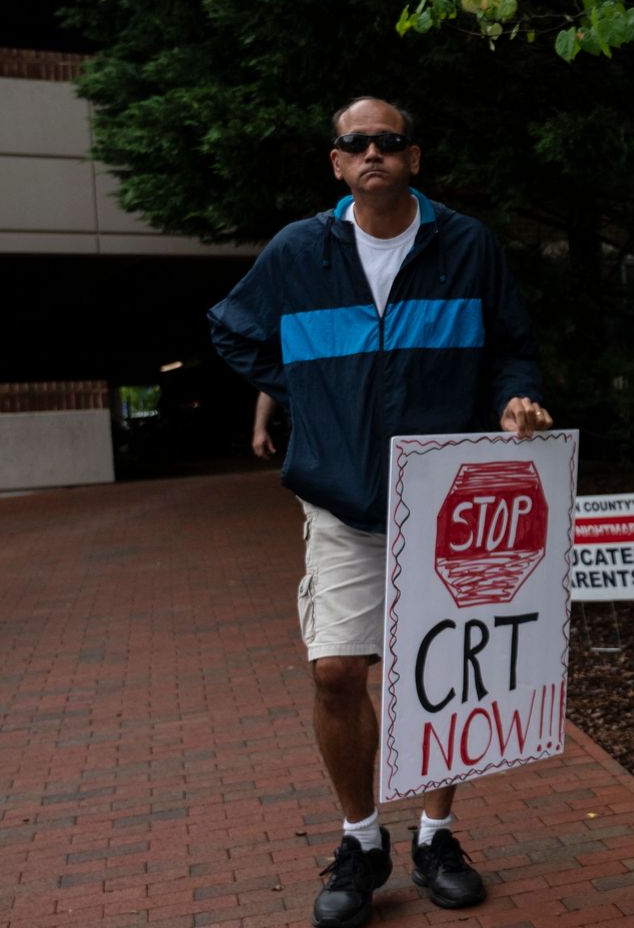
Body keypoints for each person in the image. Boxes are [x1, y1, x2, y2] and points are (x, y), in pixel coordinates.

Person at [209, 97, 553, 928]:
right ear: (337, 163)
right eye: (357, 144)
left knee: (442, 668)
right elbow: (233, 331)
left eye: (389, 142)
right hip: (343, 496)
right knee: (336, 669)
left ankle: (437, 835)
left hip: (448, 493)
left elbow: (513, 345)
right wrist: (314, 399)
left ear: (414, 158)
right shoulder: (301, 251)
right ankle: (362, 842)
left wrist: (516, 399)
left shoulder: (464, 246)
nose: (374, 153)